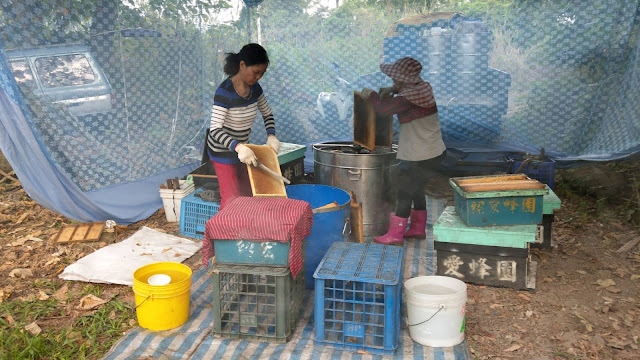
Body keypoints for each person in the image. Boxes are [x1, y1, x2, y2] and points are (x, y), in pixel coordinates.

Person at [361, 57, 446, 245]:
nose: (393, 81)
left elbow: (383, 110)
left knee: (404, 192)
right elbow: (403, 94)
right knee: (417, 190)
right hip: (429, 151)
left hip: (425, 154)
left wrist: (372, 95)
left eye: (395, 79)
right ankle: (417, 229)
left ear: (404, 80)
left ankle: (395, 235)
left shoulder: (408, 98)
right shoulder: (422, 87)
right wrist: (392, 90)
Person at [206, 43, 280, 208]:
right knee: (231, 198)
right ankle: (226, 231)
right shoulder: (225, 92)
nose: (258, 77)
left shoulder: (255, 89)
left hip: (242, 150)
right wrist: (238, 147)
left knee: (250, 191)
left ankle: (247, 228)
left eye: (262, 73)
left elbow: (267, 113)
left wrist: (271, 135)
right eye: (256, 72)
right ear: (242, 65)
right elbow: (215, 130)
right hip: (222, 152)